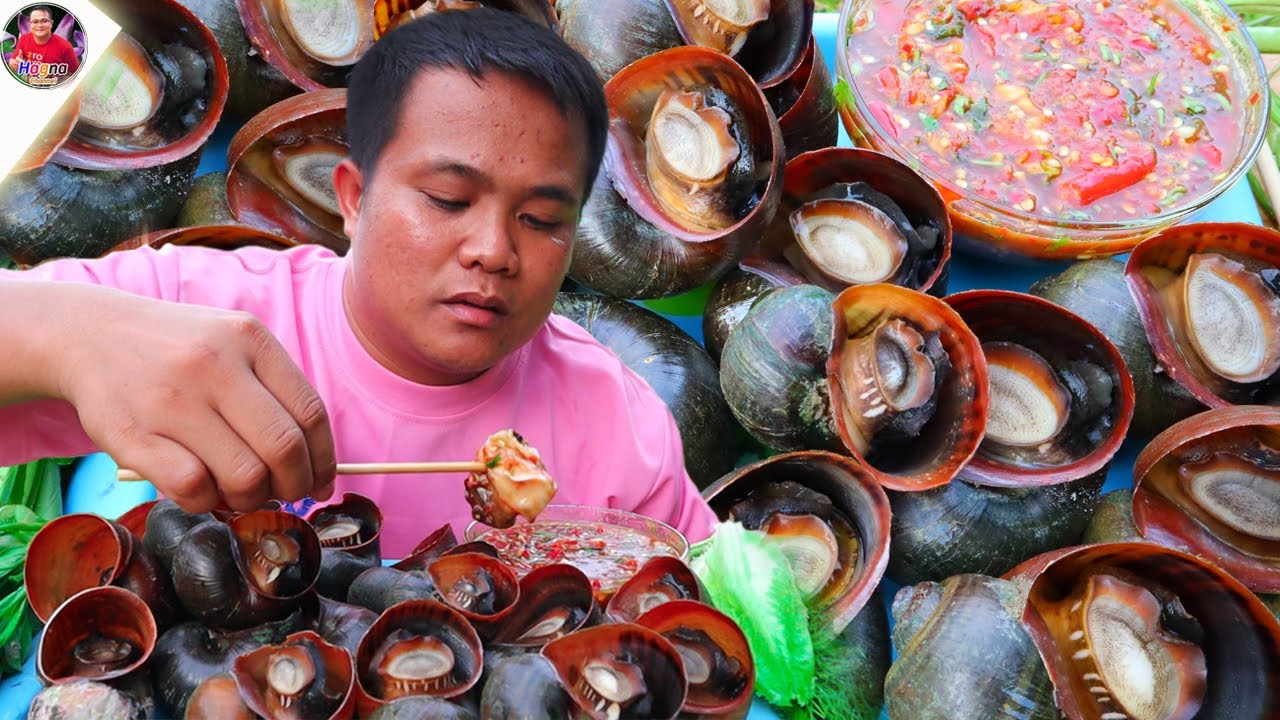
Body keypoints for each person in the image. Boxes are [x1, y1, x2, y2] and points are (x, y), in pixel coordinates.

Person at [0, 9, 719, 556]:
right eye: (447, 199)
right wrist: (70, 340)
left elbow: (697, 611)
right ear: (351, 198)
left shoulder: (620, 427)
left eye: (540, 219)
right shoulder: (203, 313)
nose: (494, 251)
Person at [7, 6, 79, 84]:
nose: (40, 25)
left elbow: (76, 75)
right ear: (30, 24)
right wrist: (17, 65)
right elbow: (12, 62)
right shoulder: (24, 39)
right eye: (35, 21)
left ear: (51, 23)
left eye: (44, 21)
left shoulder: (65, 46)